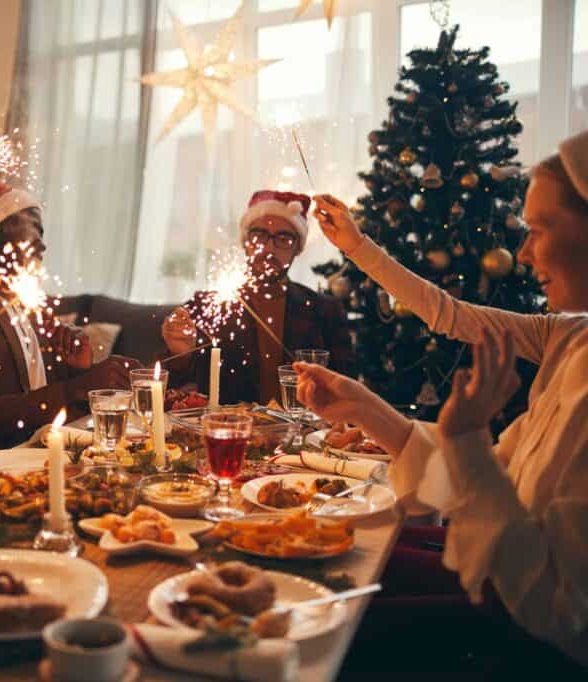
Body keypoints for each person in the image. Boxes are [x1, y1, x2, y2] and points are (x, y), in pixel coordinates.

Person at [297, 129, 588, 669]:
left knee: (319, 611)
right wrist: (364, 408)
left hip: (525, 646)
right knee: (322, 554)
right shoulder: (569, 338)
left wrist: (466, 440)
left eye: (540, 229)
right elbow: (448, 314)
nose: (522, 254)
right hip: (495, 593)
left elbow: (554, 610)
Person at [0, 177, 140, 473]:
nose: (42, 244)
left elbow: (36, 395)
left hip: (34, 458)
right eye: (33, 228)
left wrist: (78, 369)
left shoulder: (23, 303)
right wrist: (76, 388)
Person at [161, 190, 352, 404]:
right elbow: (174, 390)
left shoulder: (325, 310)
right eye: (259, 235)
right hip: (229, 430)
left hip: (306, 434)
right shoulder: (208, 305)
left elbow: (346, 388)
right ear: (245, 242)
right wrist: (181, 354)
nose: (268, 248)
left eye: (283, 238)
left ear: (297, 248)